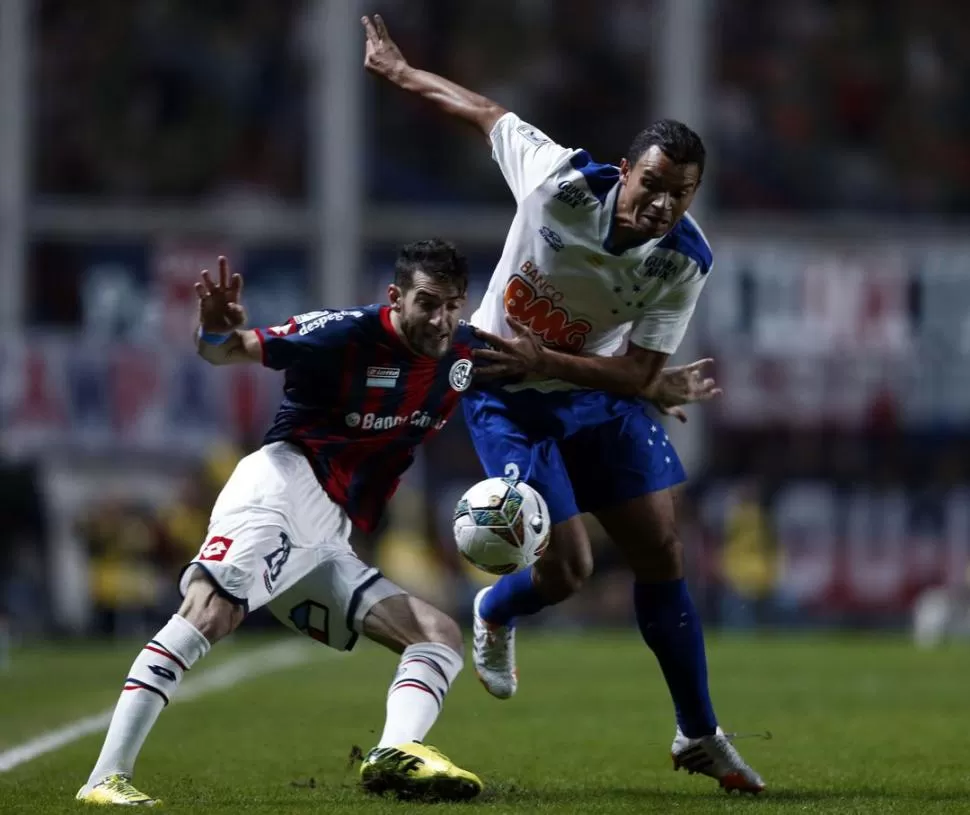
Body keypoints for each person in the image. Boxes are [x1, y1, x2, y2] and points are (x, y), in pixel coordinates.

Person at [363, 14, 764, 794]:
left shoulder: (685, 261)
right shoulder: (559, 181)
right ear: (626, 171)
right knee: (570, 566)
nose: (660, 206)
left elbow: (639, 370)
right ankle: (495, 608)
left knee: (661, 553)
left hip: (585, 388)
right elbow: (485, 112)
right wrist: (402, 73)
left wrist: (587, 366)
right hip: (502, 388)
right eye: (651, 185)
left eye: (679, 195)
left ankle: (697, 732)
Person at [77, 240, 486, 805]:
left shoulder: (464, 353)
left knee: (436, 635)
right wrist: (215, 330)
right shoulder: (341, 334)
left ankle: (394, 751)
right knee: (209, 612)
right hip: (281, 486)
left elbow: (538, 366)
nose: (440, 319)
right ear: (395, 297)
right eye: (427, 303)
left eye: (452, 305)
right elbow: (228, 350)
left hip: (329, 530)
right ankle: (103, 779)